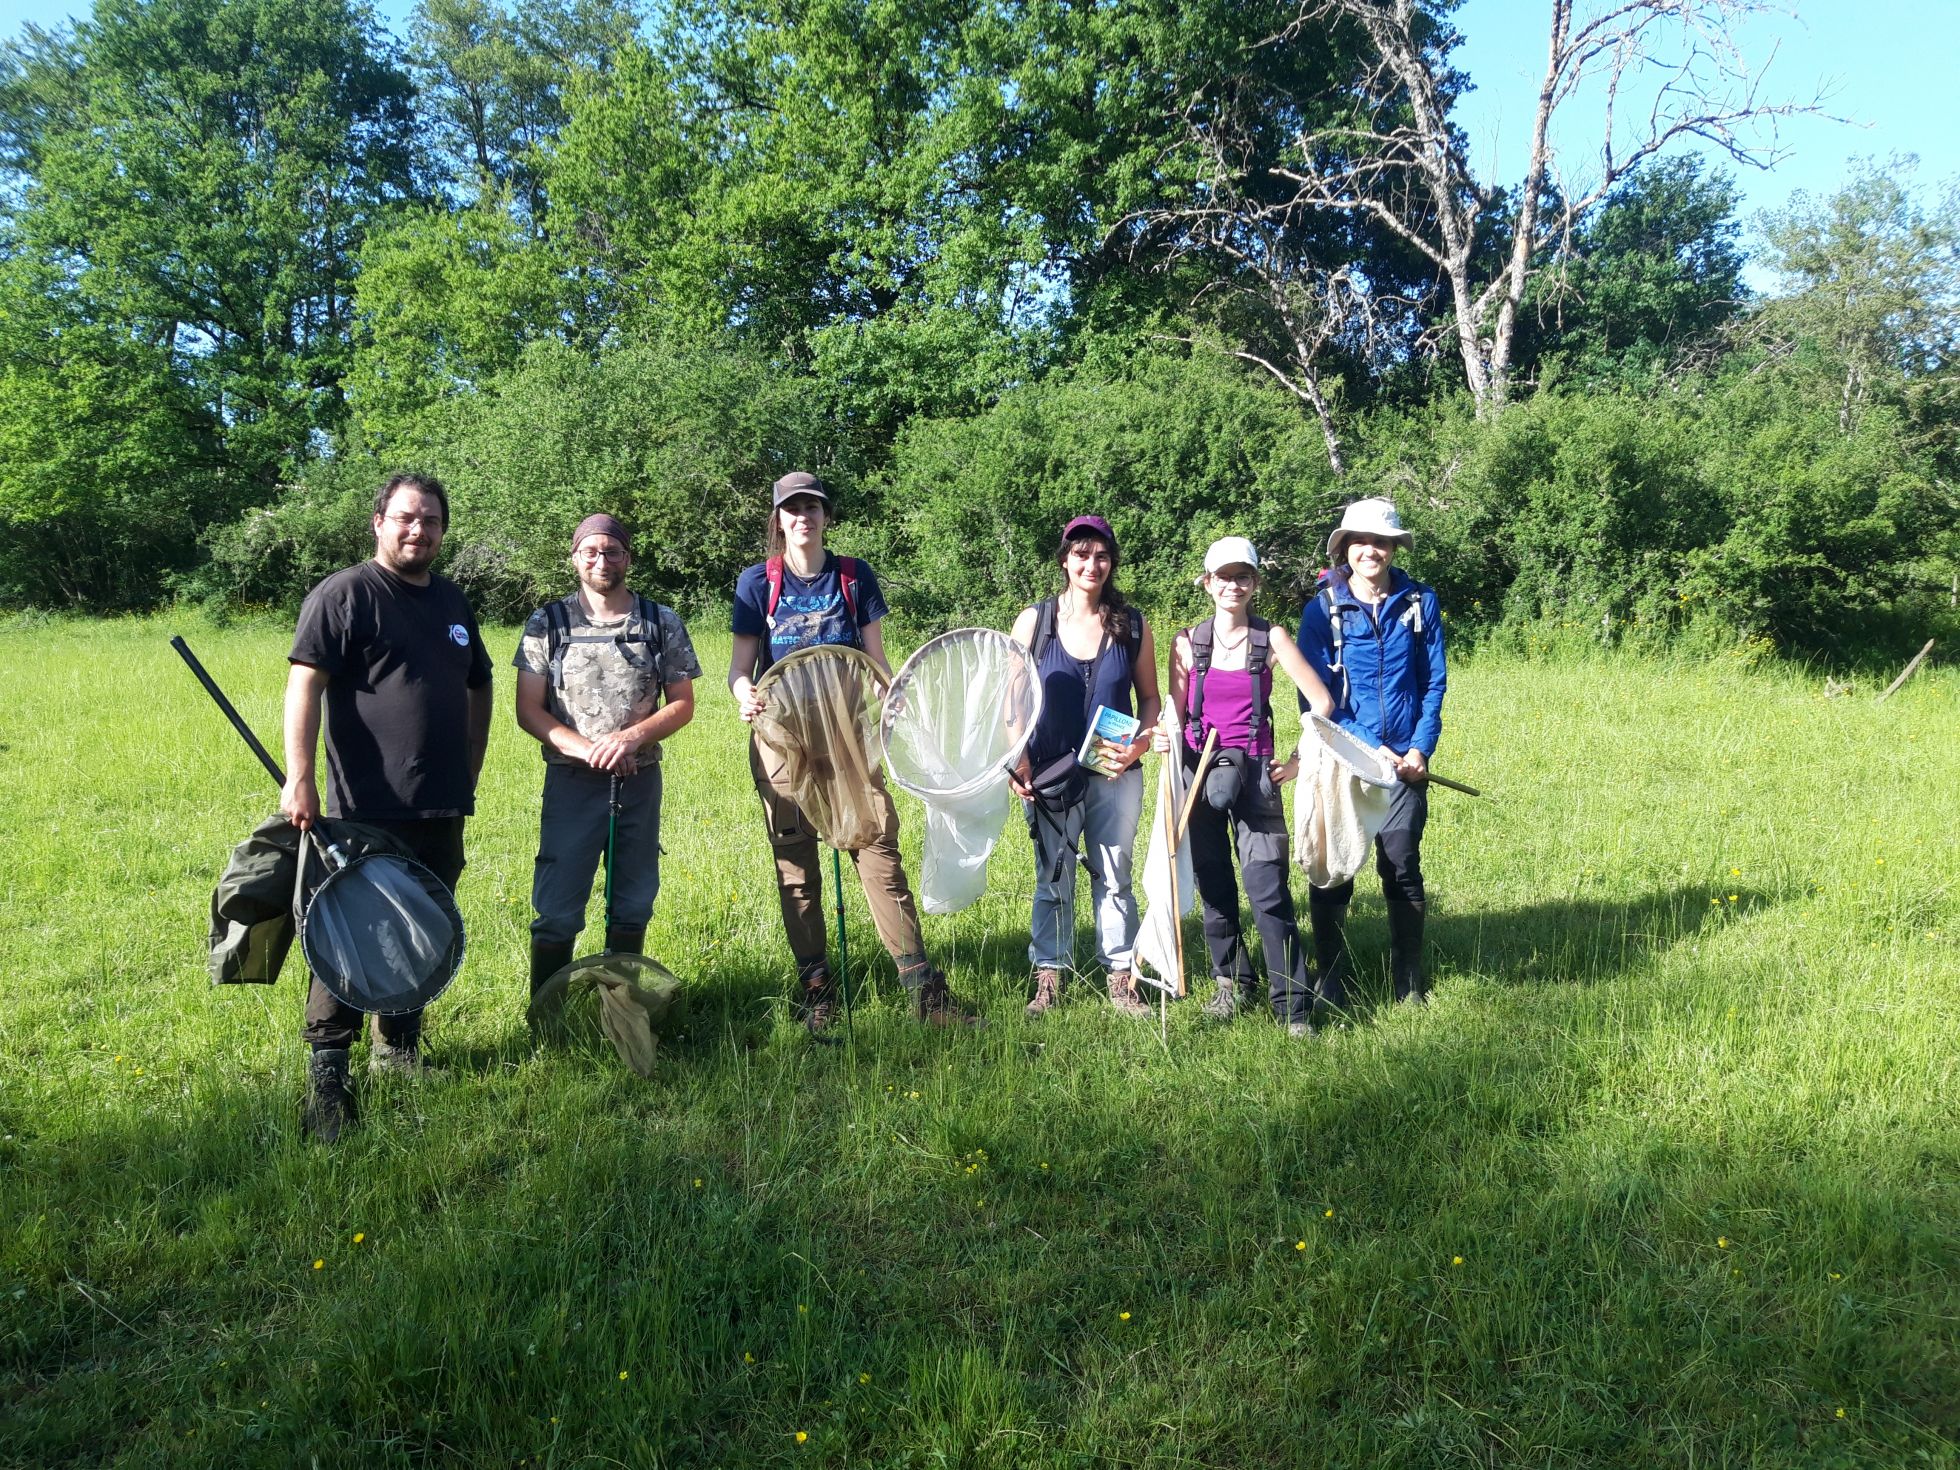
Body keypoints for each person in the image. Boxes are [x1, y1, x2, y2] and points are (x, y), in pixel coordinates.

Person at [281, 472, 494, 1141]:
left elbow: (479, 684)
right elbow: (304, 683)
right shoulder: (345, 594)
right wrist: (300, 775)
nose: (418, 531)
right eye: (406, 518)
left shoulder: (454, 602)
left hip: (440, 804)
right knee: (350, 934)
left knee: (421, 926)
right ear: (378, 521)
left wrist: (471, 766)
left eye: (430, 521)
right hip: (362, 804)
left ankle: (398, 1052)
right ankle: (328, 1078)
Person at [728, 470, 980, 1031]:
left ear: (825, 516)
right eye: (792, 509)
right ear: (779, 519)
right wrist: (745, 696)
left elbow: (875, 661)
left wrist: (893, 697)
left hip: (849, 736)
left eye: (812, 507)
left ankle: (923, 991)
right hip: (781, 737)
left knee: (878, 853)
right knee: (796, 867)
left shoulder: (852, 577)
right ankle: (817, 991)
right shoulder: (757, 582)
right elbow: (740, 670)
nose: (803, 517)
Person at [514, 513, 700, 1017]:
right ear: (575, 557)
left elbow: (682, 702)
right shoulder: (547, 622)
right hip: (571, 781)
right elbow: (528, 708)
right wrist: (587, 749)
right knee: (556, 908)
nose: (602, 560)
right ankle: (546, 1017)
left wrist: (633, 737)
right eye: (591, 551)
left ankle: (621, 1011)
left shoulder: (659, 621)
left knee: (633, 901)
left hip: (639, 780)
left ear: (627, 558)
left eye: (612, 551)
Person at [1155, 537, 1336, 1036]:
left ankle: (1292, 1006)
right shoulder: (1186, 644)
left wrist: (1298, 760)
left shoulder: (1271, 638)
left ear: (1254, 583)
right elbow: (1174, 714)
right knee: (1214, 885)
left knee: (1267, 888)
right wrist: (1166, 740)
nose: (1233, 585)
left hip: (1256, 777)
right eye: (1223, 577)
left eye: (1243, 577)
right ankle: (1231, 982)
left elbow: (1320, 702)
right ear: (1207, 583)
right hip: (1200, 775)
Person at [1295, 497, 1447, 1005]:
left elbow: (1433, 683)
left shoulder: (1420, 602)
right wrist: (1370, 745)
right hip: (1345, 758)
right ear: (1345, 548)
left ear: (1393, 548)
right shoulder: (1321, 610)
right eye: (1361, 541)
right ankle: (1331, 976)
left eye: (1381, 542)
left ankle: (1408, 976)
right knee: (1334, 864)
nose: (1371, 550)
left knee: (1401, 859)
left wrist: (1421, 749)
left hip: (1406, 764)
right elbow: (1315, 697)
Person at [1009, 515, 1161, 1018]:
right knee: (1052, 874)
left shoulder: (1133, 624)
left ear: (1112, 562)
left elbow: (1151, 699)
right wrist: (1019, 758)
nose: (1090, 564)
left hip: (1114, 770)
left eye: (1101, 555)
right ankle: (1049, 974)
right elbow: (1011, 699)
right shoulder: (1035, 622)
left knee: (1114, 873)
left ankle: (1122, 977)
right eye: (1080, 554)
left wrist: (1137, 747)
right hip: (1050, 771)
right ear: (1064, 560)